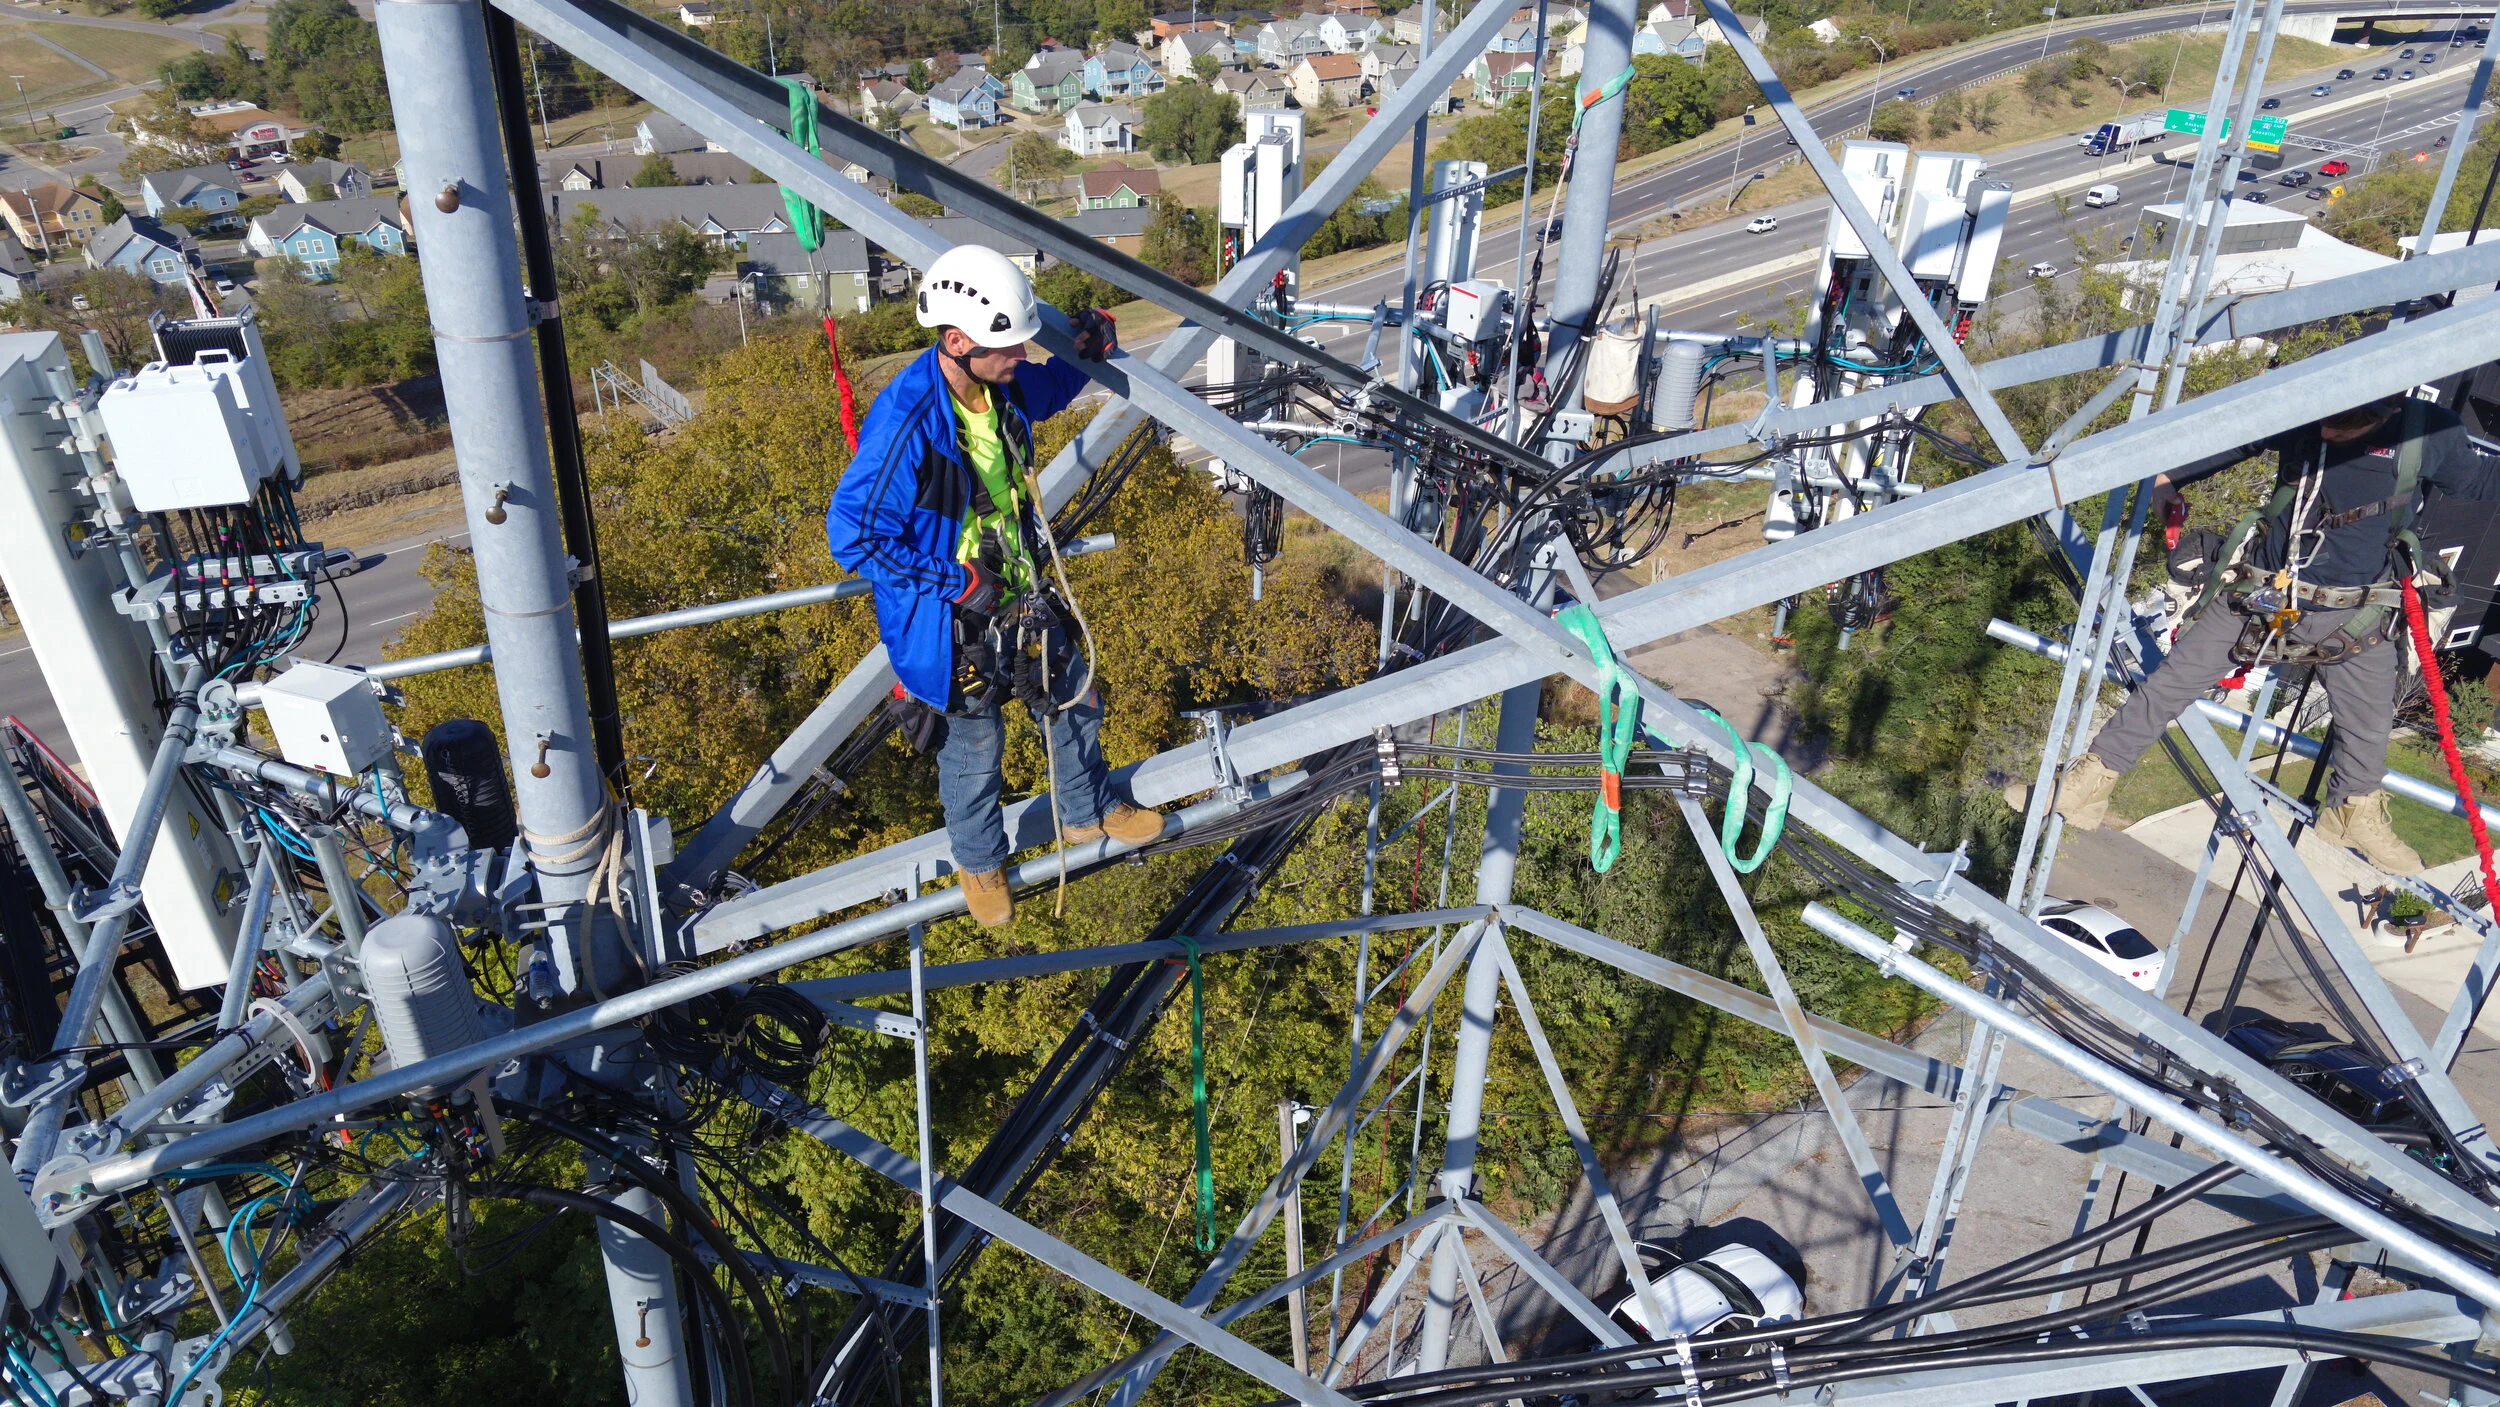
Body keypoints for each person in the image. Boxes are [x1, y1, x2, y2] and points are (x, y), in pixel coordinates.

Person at [826, 245, 1164, 927]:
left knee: (1075, 696)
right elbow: (853, 536)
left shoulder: (997, 383)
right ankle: (980, 861)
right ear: (957, 340)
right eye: (1009, 345)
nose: (1021, 356)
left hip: (1016, 587)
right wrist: (954, 580)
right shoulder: (908, 421)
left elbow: (1050, 386)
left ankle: (1084, 811)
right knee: (975, 748)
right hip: (950, 617)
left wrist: (1089, 342)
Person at [2054, 394, 2500, 874]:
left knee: (2369, 725)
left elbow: (2475, 480)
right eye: (2324, 424)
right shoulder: (2303, 402)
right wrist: (2167, 475)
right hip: (2262, 595)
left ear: (2380, 416)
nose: (2326, 433)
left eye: (2341, 427)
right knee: (2166, 688)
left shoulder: (2428, 430)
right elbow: (2230, 440)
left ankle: (2353, 813)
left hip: (2359, 613)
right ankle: (2090, 784)